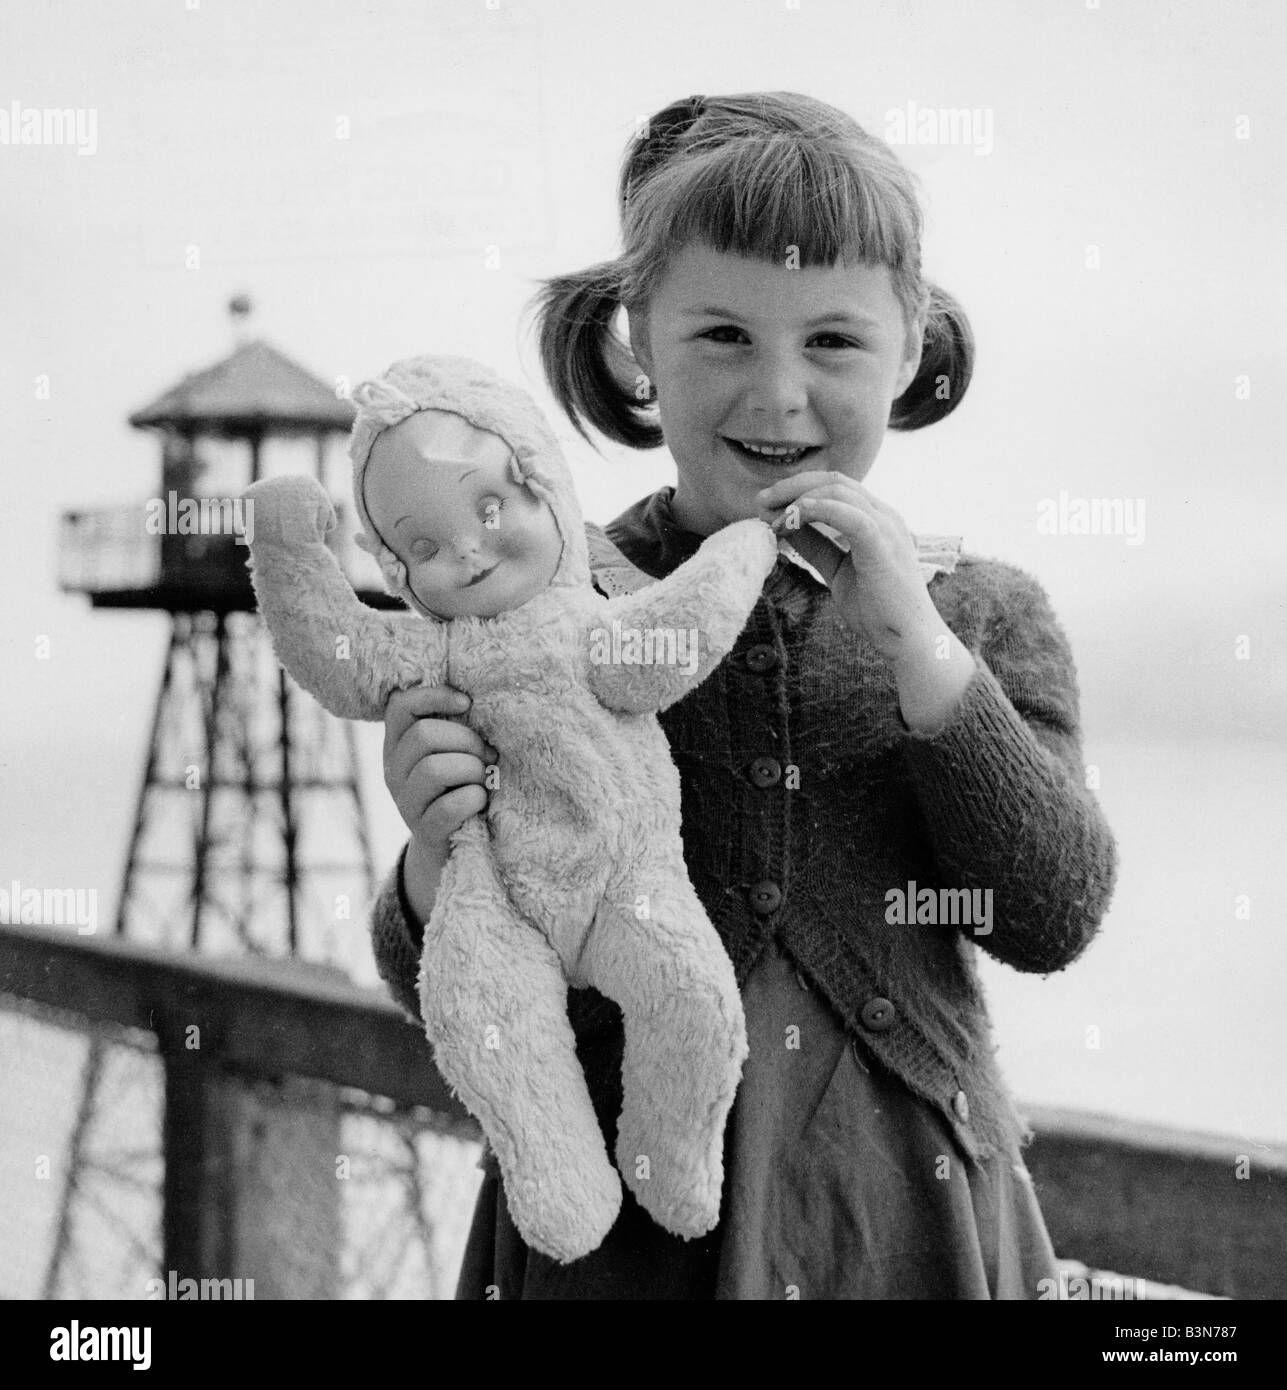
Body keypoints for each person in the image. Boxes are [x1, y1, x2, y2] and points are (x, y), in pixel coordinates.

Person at [368, 90, 1119, 1299]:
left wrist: (924, 653)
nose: (778, 398)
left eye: (832, 342)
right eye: (722, 335)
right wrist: (428, 850)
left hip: (901, 1224)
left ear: (911, 345)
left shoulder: (984, 616)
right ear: (636, 344)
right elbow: (461, 981)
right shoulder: (531, 612)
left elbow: (1051, 912)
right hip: (611, 1236)